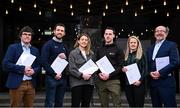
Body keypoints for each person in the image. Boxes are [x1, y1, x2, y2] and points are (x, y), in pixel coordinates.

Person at [2, 26, 41, 107]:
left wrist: (34, 71)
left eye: (29, 35)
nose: (27, 36)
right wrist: (23, 68)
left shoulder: (35, 50)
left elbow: (38, 66)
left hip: (30, 84)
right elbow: (5, 64)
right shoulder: (13, 48)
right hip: (17, 84)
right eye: (25, 34)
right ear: (20, 36)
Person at [147, 25, 180, 107]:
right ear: (154, 34)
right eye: (157, 31)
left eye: (162, 31)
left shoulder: (171, 45)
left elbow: (175, 62)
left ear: (166, 34)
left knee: (170, 105)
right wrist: (150, 72)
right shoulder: (150, 48)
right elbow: (148, 64)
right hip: (153, 83)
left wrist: (160, 73)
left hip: (166, 83)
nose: (159, 33)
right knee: (156, 105)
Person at [94, 26, 124, 107]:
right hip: (101, 81)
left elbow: (120, 66)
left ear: (114, 36)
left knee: (117, 104)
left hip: (114, 81)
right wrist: (98, 74)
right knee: (103, 105)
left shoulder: (118, 50)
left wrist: (109, 75)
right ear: (104, 35)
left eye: (110, 34)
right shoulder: (99, 50)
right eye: (106, 34)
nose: (108, 36)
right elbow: (96, 64)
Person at [41, 23, 68, 107]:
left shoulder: (65, 46)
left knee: (59, 103)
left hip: (62, 79)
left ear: (64, 33)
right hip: (51, 78)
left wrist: (66, 57)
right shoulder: (48, 44)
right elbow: (44, 62)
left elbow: (68, 62)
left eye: (62, 31)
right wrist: (54, 74)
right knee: (49, 103)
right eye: (58, 30)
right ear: (54, 31)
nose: (60, 32)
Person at [68, 33, 95, 107]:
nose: (84, 41)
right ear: (78, 41)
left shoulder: (90, 53)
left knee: (86, 105)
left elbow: (92, 67)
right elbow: (71, 69)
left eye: (86, 40)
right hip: (77, 83)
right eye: (82, 39)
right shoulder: (73, 53)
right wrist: (82, 75)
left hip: (88, 83)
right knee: (75, 105)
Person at [121, 35, 148, 107]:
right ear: (128, 44)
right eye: (131, 42)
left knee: (139, 105)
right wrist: (123, 69)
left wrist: (140, 80)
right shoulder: (125, 55)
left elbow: (145, 69)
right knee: (131, 104)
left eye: (134, 42)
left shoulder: (142, 54)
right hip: (128, 84)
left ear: (137, 44)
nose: (133, 44)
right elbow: (122, 67)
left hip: (139, 84)